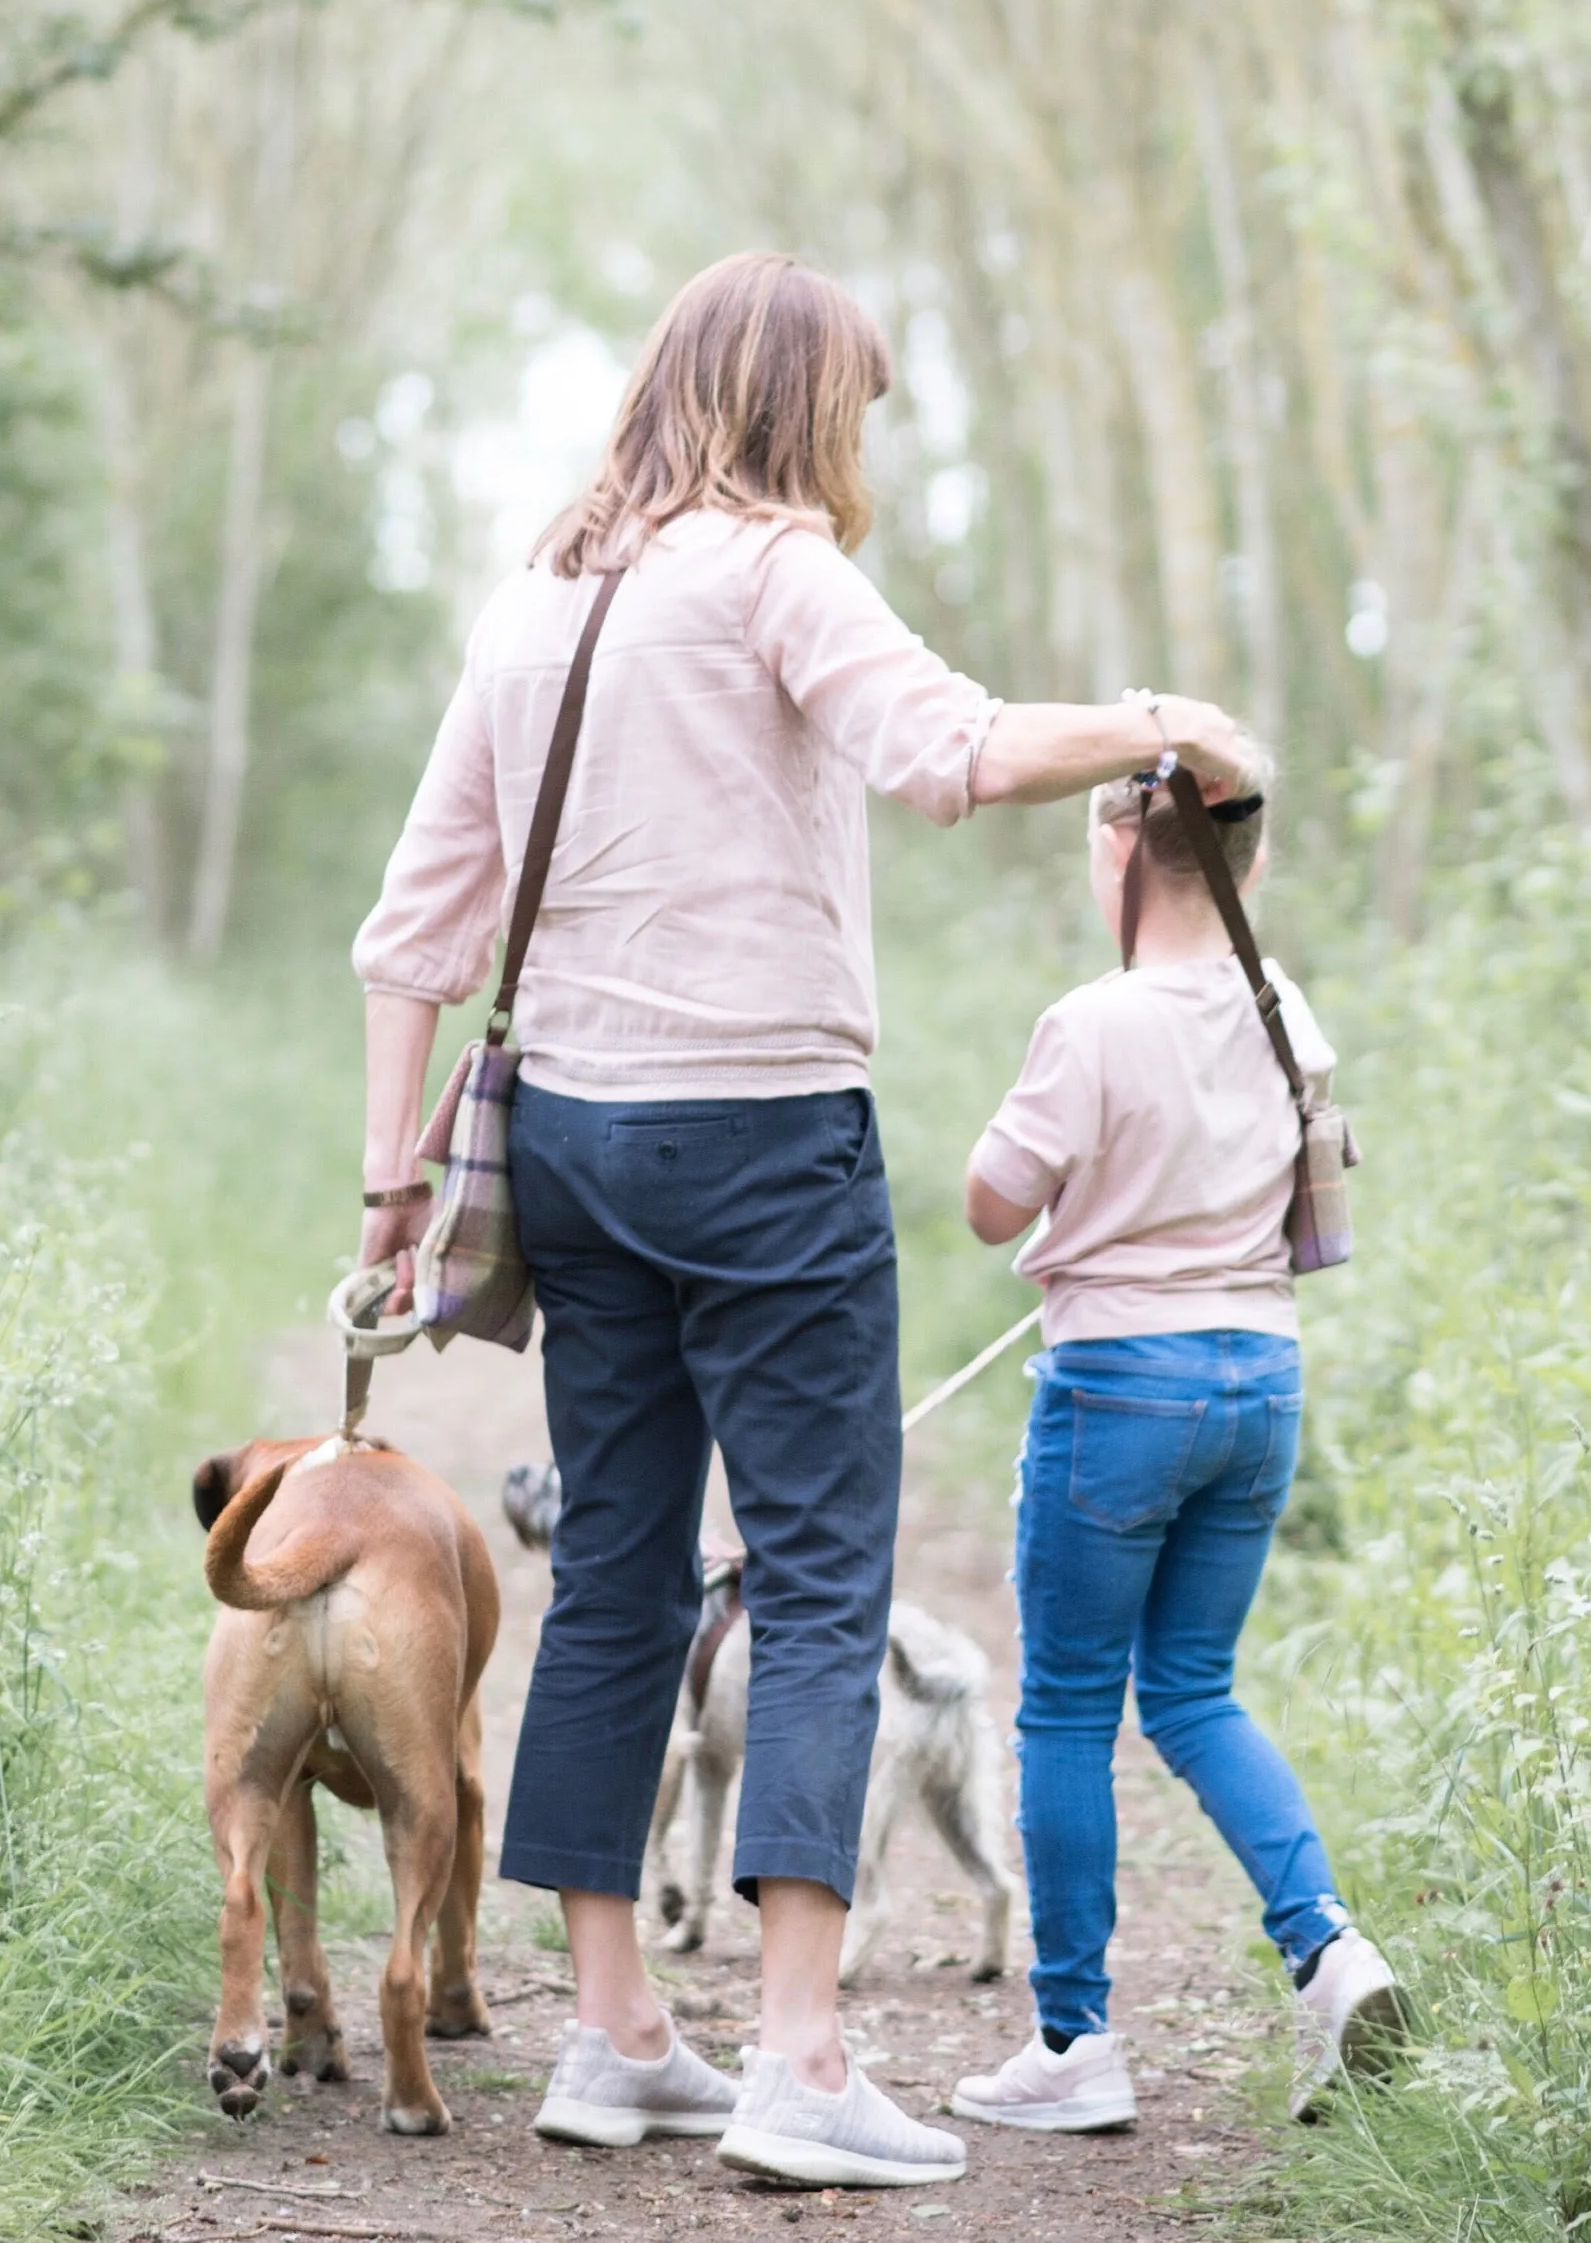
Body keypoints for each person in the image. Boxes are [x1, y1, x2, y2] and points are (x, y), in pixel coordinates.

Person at [350, 252, 1256, 2193]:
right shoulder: (769, 566)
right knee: (828, 1571)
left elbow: (412, 924)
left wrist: (389, 1177)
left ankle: (611, 2037)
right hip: (761, 1138)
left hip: (576, 1148)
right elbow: (955, 754)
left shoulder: (538, 597)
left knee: (619, 1571)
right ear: (793, 405)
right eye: (852, 406)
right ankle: (802, 2055)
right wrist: (1164, 717)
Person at [945, 765, 1401, 2136]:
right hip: (1260, 1382)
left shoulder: (1092, 1023)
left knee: (1070, 1709)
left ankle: (1074, 2042)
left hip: (1120, 1388)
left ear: (1116, 853)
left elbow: (986, 1204)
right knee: (1194, 1690)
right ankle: (1330, 1948)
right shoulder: (1287, 1011)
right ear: (1249, 871)